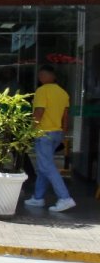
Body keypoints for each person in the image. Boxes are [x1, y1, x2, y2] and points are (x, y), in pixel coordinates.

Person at [25, 65, 75, 212]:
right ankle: (38, 198)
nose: (39, 78)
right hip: (56, 133)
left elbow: (39, 111)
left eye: (41, 75)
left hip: (44, 133)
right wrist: (63, 134)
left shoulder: (42, 90)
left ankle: (65, 198)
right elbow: (66, 117)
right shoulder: (63, 93)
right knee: (43, 167)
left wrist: (30, 130)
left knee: (46, 166)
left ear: (48, 76)